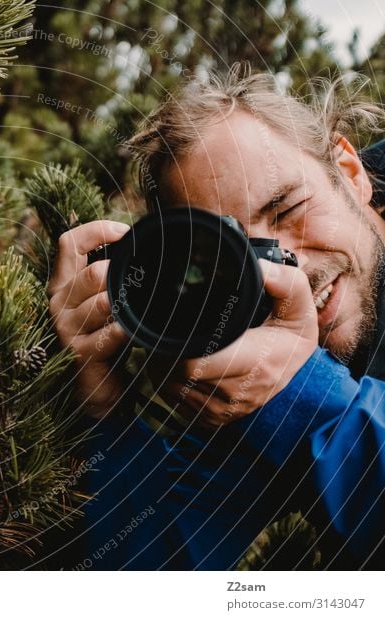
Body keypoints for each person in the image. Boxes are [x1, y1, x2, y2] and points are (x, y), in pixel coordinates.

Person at [48, 64, 385, 569]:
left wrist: (309, 401)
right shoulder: (238, 353)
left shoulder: (285, 379)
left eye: (287, 209)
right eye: (233, 255)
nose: (286, 269)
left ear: (350, 172)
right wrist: (108, 416)